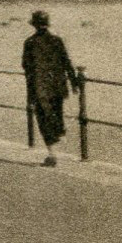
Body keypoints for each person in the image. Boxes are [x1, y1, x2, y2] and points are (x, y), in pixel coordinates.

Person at [23, 9, 79, 168]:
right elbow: (67, 62)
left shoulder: (30, 43)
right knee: (55, 115)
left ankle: (52, 154)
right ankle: (57, 139)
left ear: (34, 25)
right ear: (47, 24)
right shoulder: (57, 40)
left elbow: (26, 68)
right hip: (57, 85)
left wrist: (29, 94)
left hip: (40, 87)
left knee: (43, 118)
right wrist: (74, 82)